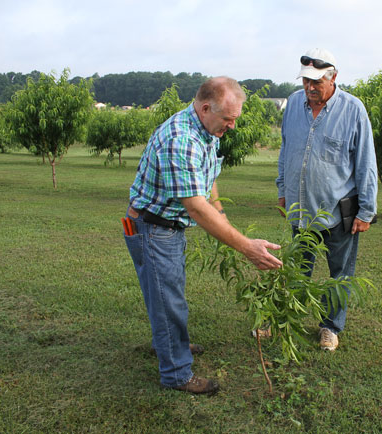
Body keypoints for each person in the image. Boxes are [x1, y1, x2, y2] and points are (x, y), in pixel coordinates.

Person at [124, 76, 282, 394]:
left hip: (165, 228)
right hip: (153, 229)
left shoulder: (206, 129)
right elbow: (195, 207)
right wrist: (246, 247)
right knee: (169, 302)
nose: (232, 127)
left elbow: (207, 178)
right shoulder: (180, 139)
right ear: (206, 107)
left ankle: (167, 345)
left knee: (166, 296)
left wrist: (221, 215)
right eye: (228, 119)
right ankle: (177, 374)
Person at [276, 48, 378, 352]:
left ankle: (330, 328)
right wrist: (283, 190)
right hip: (300, 209)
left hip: (337, 211)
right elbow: (285, 151)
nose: (309, 88)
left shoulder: (353, 109)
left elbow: (365, 163)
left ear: (333, 78)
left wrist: (366, 211)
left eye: (316, 82)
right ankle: (287, 320)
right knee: (296, 270)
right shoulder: (294, 104)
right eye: (306, 81)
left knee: (339, 275)